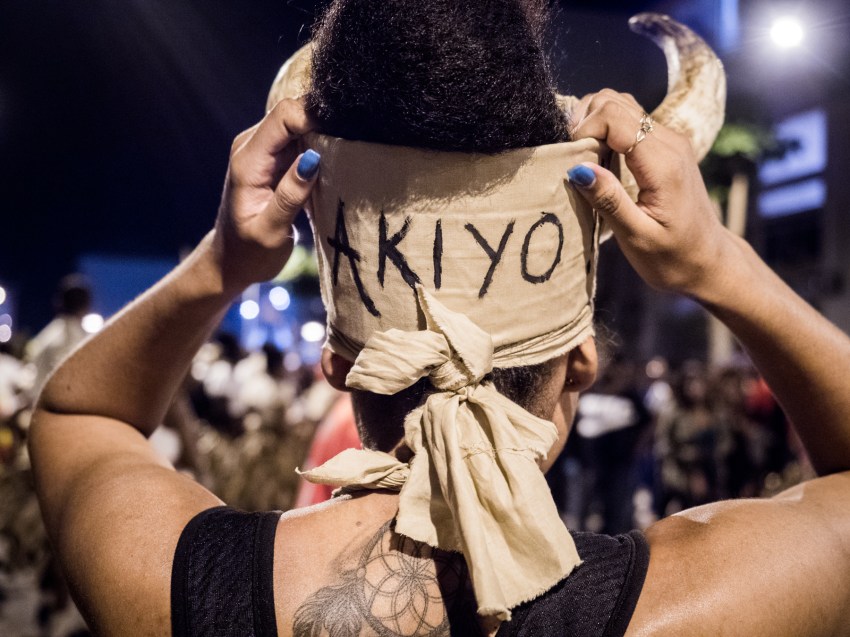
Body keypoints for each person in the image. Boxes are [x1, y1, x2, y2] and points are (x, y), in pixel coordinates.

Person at [28, 2, 850, 636]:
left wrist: (222, 263)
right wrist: (717, 262)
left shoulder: (179, 589)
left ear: (339, 365)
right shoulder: (686, 610)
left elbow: (76, 416)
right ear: (580, 365)